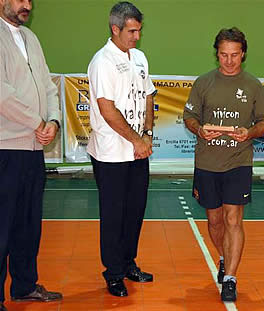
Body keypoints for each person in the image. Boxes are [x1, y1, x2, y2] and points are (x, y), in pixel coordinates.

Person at [183, 27, 264, 302]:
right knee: (215, 220)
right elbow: (189, 117)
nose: (229, 61)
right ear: (217, 54)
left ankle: (230, 277)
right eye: (223, 55)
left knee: (234, 218)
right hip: (208, 162)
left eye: (234, 55)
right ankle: (223, 257)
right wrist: (199, 130)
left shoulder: (253, 85)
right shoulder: (203, 83)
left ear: (243, 54)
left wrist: (249, 132)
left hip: (239, 161)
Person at [87, 1, 156, 297]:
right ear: (115, 29)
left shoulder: (139, 58)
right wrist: (136, 140)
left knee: (134, 211)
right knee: (114, 214)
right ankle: (113, 272)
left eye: (139, 30)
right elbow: (107, 109)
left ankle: (129, 263)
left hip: (138, 151)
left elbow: (149, 96)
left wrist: (148, 134)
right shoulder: (102, 61)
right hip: (111, 153)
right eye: (131, 31)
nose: (136, 36)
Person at [0, 0, 63, 310]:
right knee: (2, 225)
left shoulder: (32, 39)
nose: (27, 5)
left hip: (34, 148)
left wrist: (52, 122)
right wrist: (36, 122)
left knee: (28, 224)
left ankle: (24, 286)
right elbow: (2, 94)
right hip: (5, 147)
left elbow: (49, 88)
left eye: (29, 0)